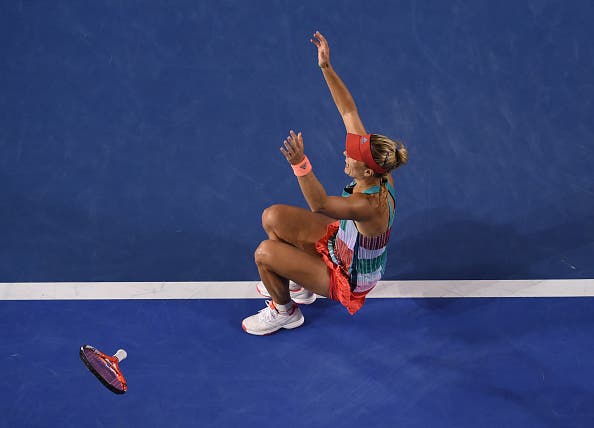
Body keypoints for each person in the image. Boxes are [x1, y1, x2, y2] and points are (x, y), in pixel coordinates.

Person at [242, 31, 408, 335]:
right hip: (340, 244)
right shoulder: (377, 168)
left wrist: (299, 164)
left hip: (348, 275)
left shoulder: (368, 205)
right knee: (273, 217)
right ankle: (300, 286)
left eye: (352, 156)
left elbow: (319, 204)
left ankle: (285, 312)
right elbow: (348, 110)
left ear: (368, 172)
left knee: (264, 254)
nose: (346, 152)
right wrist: (326, 67)